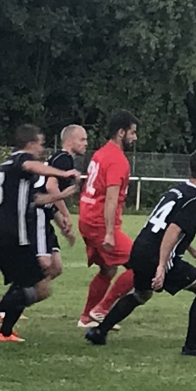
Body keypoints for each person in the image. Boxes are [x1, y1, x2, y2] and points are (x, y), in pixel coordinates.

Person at [85, 147, 196, 356]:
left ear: (190, 169)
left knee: (141, 294)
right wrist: (161, 266)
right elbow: (172, 230)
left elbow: (167, 225)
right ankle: (192, 346)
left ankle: (99, 332)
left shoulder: (176, 191)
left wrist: (192, 250)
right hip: (157, 256)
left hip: (140, 249)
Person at [0, 124, 80, 342]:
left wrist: (60, 196)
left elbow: (36, 199)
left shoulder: (12, 170)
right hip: (14, 236)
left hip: (1, 234)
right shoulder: (20, 160)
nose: (42, 149)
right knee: (41, 288)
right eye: (40, 144)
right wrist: (64, 173)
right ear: (31, 144)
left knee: (24, 285)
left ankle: (5, 332)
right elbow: (31, 165)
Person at [77, 111, 139, 329]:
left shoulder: (101, 153)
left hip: (87, 218)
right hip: (100, 224)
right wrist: (110, 233)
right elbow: (111, 199)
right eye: (132, 132)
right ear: (121, 133)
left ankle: (87, 317)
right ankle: (102, 309)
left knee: (108, 269)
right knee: (142, 265)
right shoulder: (117, 160)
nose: (135, 138)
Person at [32, 123, 89, 286]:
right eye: (82, 139)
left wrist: (63, 226)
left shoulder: (61, 158)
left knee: (55, 268)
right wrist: (66, 214)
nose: (86, 143)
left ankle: (22, 296)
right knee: (45, 263)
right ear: (69, 141)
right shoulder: (64, 159)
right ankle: (14, 298)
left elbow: (51, 201)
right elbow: (51, 187)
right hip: (37, 214)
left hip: (44, 214)